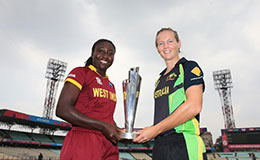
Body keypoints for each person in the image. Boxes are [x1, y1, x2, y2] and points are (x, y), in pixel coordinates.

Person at [133, 28, 207, 160]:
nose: (165, 46)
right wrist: (147, 131)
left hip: (184, 142)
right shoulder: (159, 80)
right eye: (161, 43)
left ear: (179, 44)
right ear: (157, 49)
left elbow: (194, 106)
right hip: (160, 145)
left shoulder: (189, 67)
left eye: (170, 41)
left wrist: (156, 129)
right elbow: (163, 115)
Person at [56, 39, 121, 160]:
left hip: (108, 144)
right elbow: (62, 109)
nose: (105, 56)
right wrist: (103, 126)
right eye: (101, 51)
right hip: (84, 138)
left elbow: (106, 117)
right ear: (92, 53)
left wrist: (119, 131)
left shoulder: (111, 85)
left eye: (110, 53)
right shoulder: (81, 73)